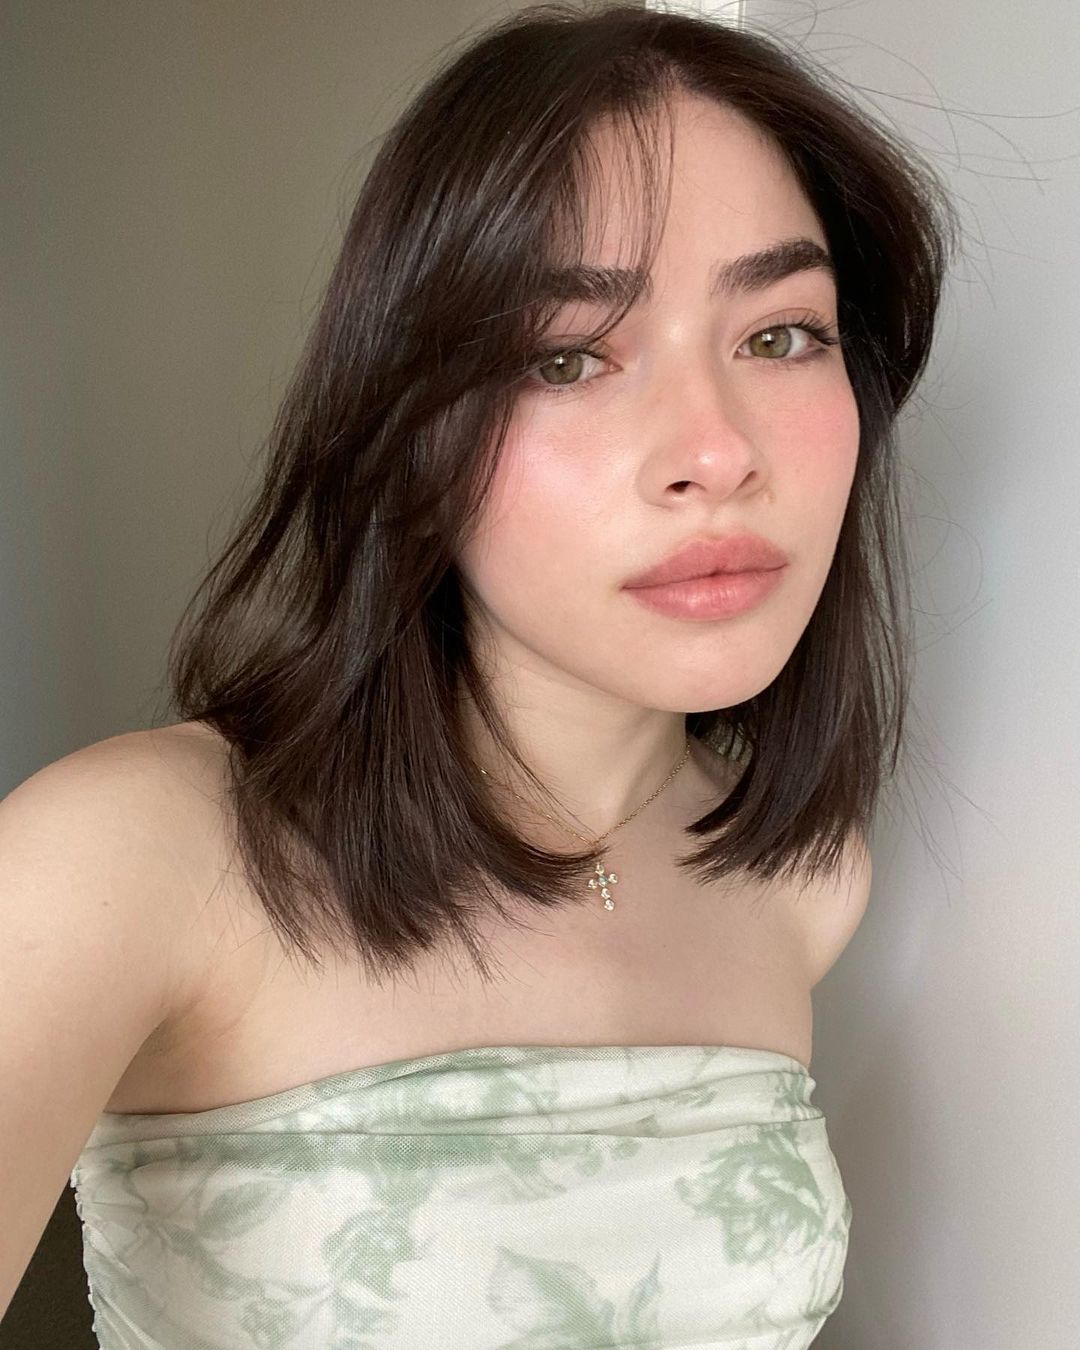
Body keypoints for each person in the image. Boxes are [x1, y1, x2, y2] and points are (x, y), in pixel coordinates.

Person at [1, 3, 959, 1345]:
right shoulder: (131, 857)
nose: (718, 451)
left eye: (781, 334)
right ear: (409, 430)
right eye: (567, 355)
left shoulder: (805, 881)